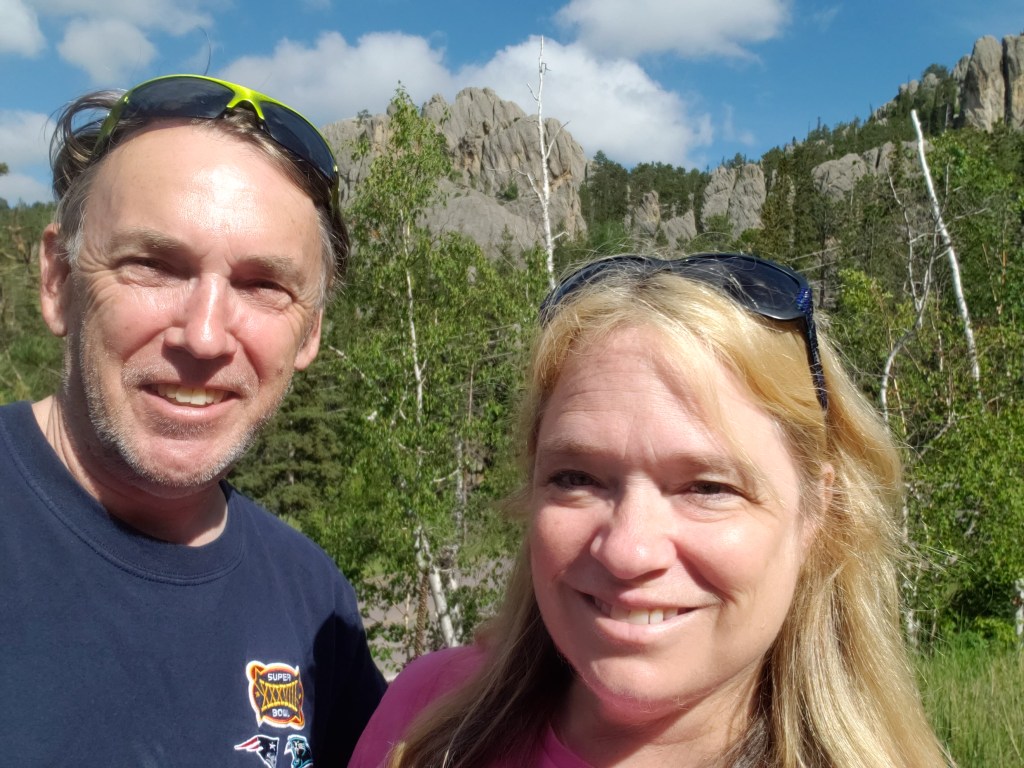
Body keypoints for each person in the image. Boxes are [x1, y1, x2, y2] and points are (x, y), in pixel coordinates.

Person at [348, 253, 951, 768]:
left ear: (817, 511)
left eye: (708, 487)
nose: (628, 550)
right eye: (577, 477)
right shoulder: (426, 724)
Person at [0, 75, 385, 766]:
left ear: (310, 334)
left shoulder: (313, 602)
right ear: (58, 282)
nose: (204, 336)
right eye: (154, 265)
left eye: (262, 285)